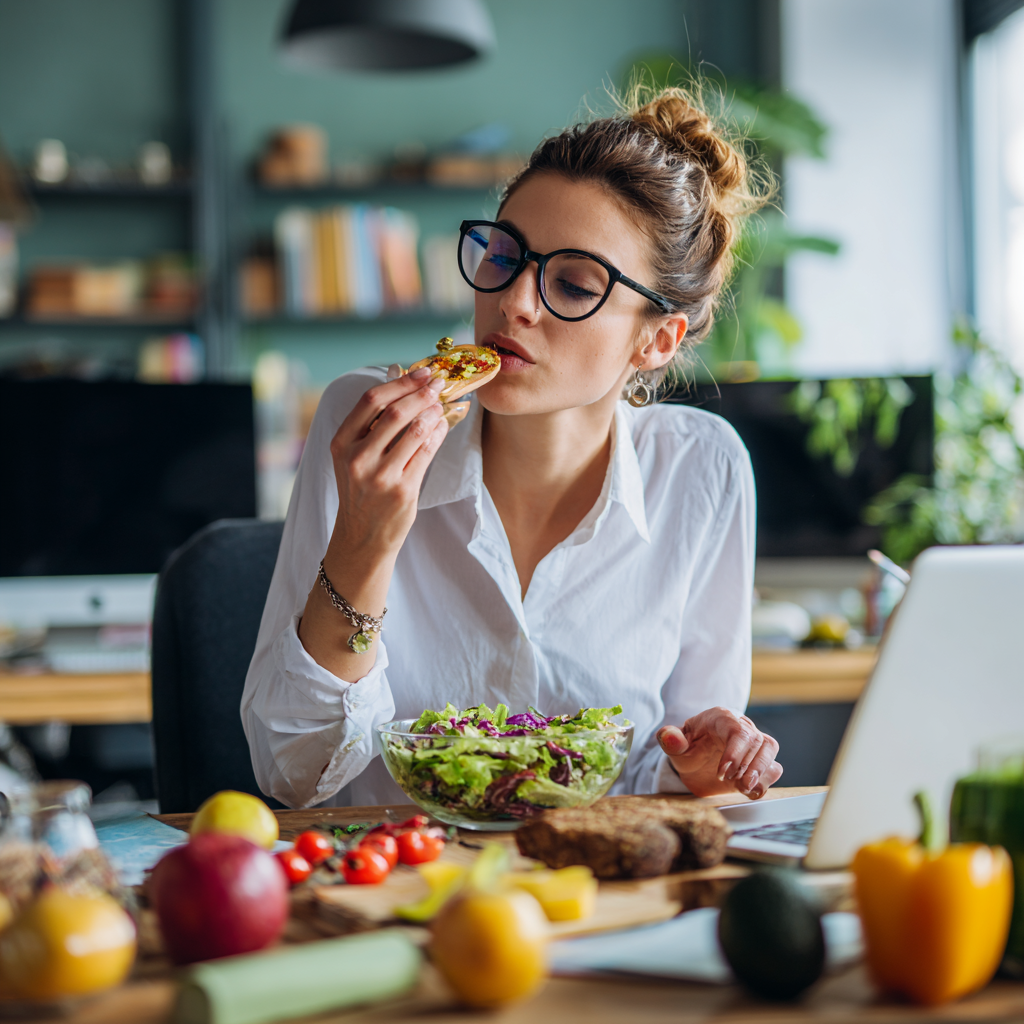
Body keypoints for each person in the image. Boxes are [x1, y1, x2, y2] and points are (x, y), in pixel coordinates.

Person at [241, 86, 784, 810]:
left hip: (594, 893)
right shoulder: (362, 423)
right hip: (396, 882)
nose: (514, 302)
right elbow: (291, 774)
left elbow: (674, 766)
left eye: (572, 284)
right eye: (504, 255)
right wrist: (366, 540)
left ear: (657, 339)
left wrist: (706, 764)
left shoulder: (703, 470)